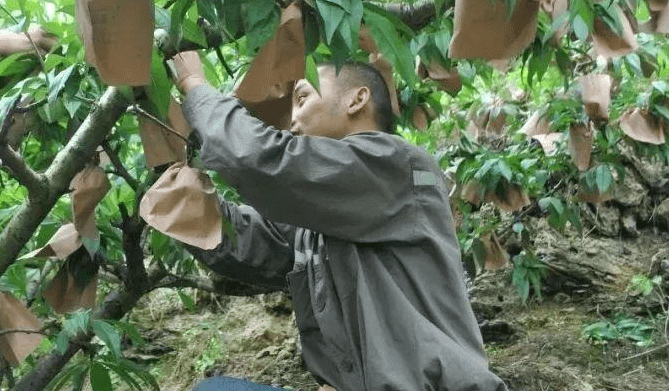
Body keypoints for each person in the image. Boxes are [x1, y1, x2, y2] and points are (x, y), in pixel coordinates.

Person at [168, 52, 508, 391]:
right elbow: (237, 241)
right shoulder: (321, 220)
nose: (292, 122)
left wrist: (194, 85)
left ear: (357, 99)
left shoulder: (397, 165)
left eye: (302, 97)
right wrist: (166, 169)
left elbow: (262, 160)